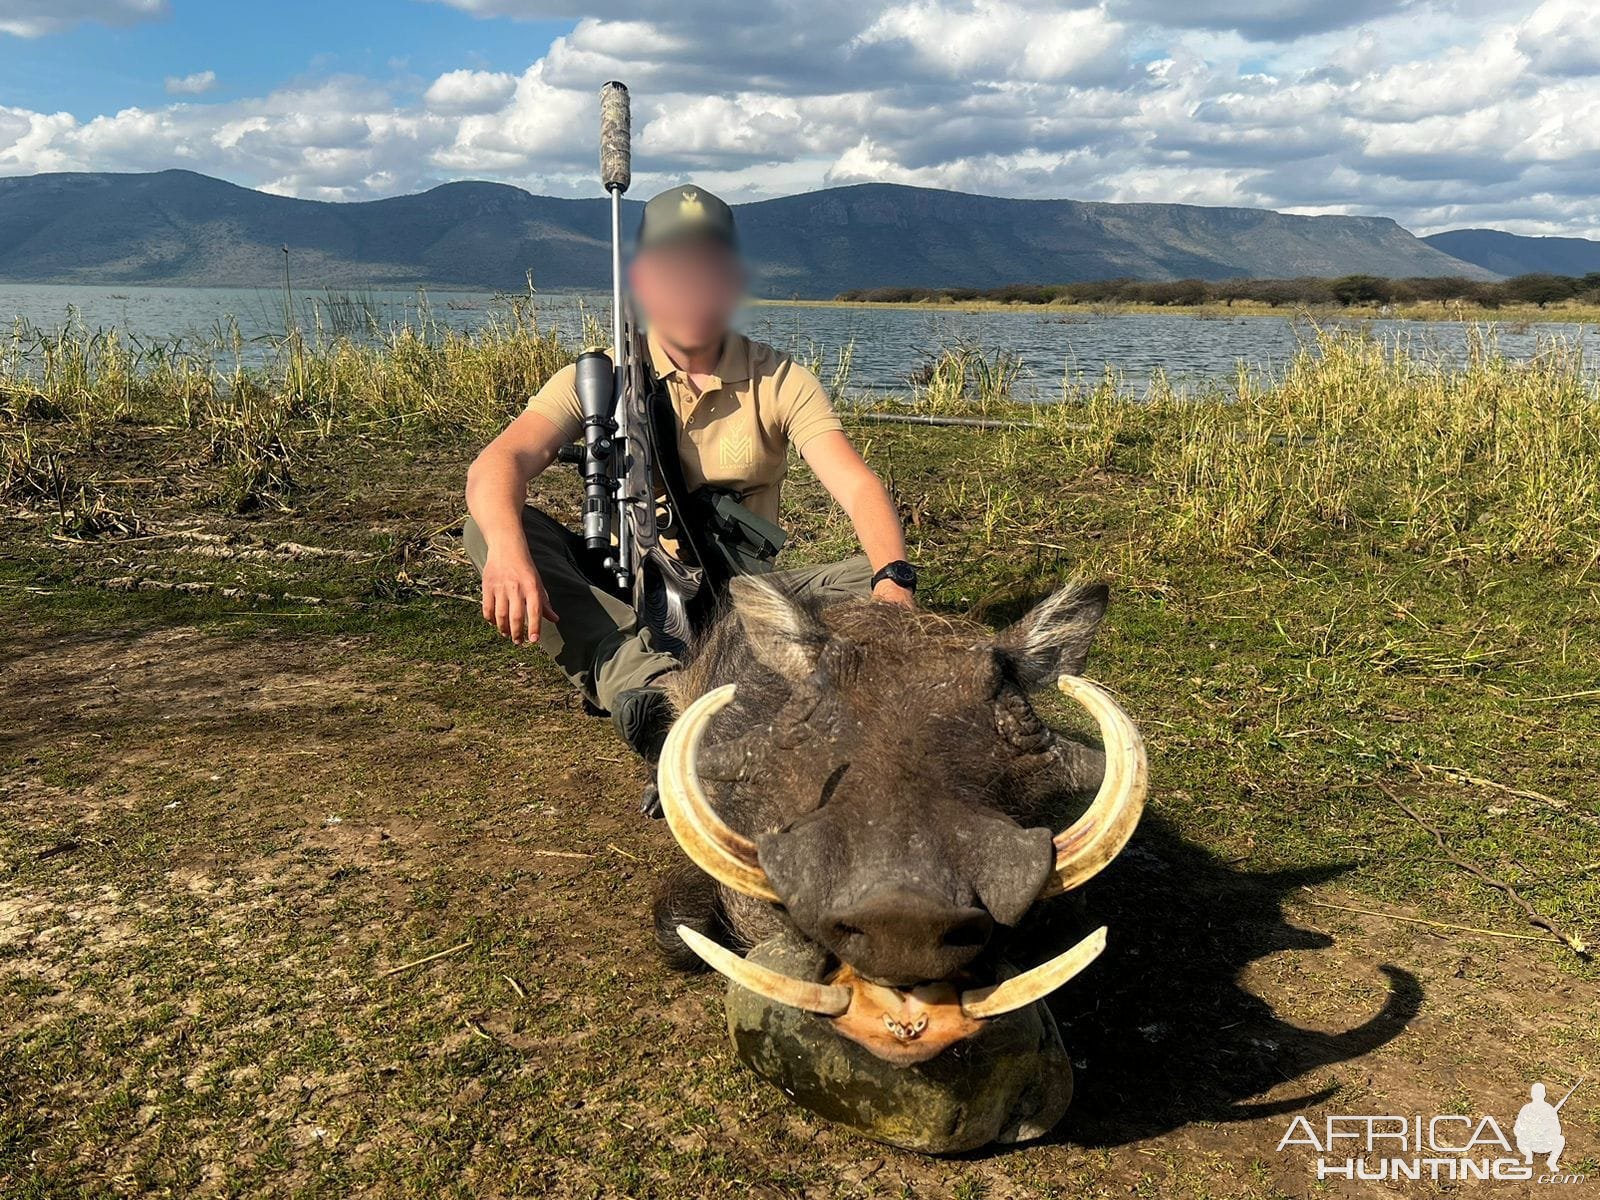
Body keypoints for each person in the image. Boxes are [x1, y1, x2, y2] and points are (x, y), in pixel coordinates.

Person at [464, 183, 917, 760]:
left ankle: (707, 669)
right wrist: (506, 550)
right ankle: (649, 691)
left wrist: (893, 582)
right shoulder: (598, 378)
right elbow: (499, 462)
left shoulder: (779, 379)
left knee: (866, 577)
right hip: (629, 585)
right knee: (491, 526)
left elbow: (855, 483)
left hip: (738, 597)